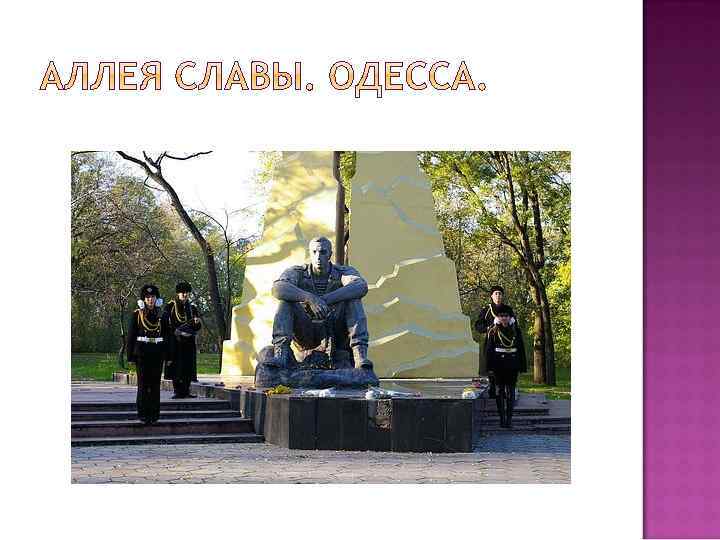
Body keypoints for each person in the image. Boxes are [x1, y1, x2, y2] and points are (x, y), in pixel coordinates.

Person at [267, 236, 372, 370]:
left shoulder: (343, 272)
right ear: (309, 253)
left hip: (335, 330)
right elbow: (278, 288)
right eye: (314, 252)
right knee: (285, 303)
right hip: (307, 332)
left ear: (330, 254)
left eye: (323, 252)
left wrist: (324, 300)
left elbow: (360, 286)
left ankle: (360, 355)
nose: (318, 257)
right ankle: (281, 354)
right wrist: (310, 298)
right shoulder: (297, 272)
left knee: (353, 300)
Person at [126, 284, 166, 424]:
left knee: (155, 384)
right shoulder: (137, 314)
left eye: (152, 297)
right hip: (142, 353)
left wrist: (168, 355)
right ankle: (143, 414)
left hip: (157, 352)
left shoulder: (162, 315)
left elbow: (167, 336)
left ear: (157, 299)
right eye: (147, 297)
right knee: (143, 384)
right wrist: (130, 356)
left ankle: (154, 415)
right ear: (143, 299)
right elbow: (131, 336)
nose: (150, 300)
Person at [484, 304, 527, 428]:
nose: (504, 318)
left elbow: (520, 348)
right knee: (500, 392)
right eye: (501, 316)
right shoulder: (493, 331)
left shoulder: (516, 330)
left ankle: (509, 419)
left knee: (511, 392)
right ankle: (502, 418)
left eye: (506, 316)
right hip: (498, 364)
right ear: (498, 317)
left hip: (512, 364)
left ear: (510, 317)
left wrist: (522, 365)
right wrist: (489, 367)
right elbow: (489, 350)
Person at [162, 281, 202, 399]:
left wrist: (197, 323)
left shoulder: (192, 308)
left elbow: (197, 326)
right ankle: (178, 391)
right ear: (178, 293)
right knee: (176, 366)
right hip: (176, 341)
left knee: (187, 366)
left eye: (187, 292)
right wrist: (176, 331)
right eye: (182, 292)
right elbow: (164, 323)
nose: (185, 295)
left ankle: (186, 390)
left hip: (188, 341)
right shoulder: (170, 306)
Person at [475, 285, 516, 375]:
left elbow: (515, 326)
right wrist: (488, 328)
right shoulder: (486, 310)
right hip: (492, 343)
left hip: (507, 344)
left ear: (502, 296)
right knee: (493, 371)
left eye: (500, 294)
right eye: (496, 294)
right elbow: (478, 325)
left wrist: (510, 324)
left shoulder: (508, 310)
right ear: (492, 296)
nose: (498, 296)